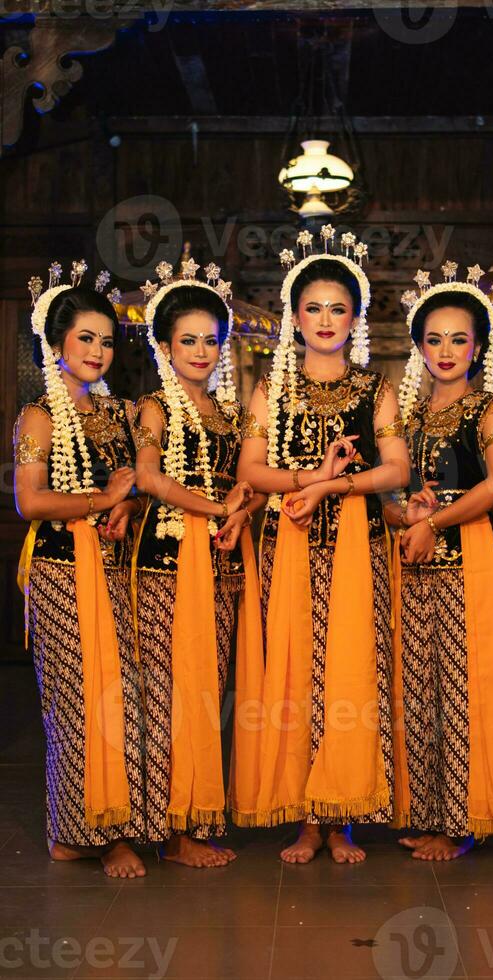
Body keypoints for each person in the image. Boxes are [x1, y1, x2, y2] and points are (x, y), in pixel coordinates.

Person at [233, 226, 410, 864]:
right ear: (296, 317)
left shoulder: (374, 388)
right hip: (292, 547)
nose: (326, 319)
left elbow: (398, 469)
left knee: (352, 673)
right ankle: (307, 817)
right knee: (296, 675)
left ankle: (344, 817)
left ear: (355, 317)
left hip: (358, 548)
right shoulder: (272, 390)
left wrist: (338, 486)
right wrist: (312, 478)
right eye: (314, 308)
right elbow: (250, 473)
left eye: (338, 308)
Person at [15, 263, 147, 878]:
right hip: (61, 573)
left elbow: (136, 487)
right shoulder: (37, 416)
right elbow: (32, 502)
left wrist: (127, 503)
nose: (97, 351)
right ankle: (78, 833)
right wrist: (102, 501)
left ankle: (112, 825)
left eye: (105, 340)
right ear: (56, 342)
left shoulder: (119, 414)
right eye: (85, 338)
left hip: (120, 572)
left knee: (121, 701)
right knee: (74, 705)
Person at [133, 259, 261, 868]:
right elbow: (149, 478)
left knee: (208, 690)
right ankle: (167, 827)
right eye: (188, 340)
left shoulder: (230, 414)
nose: (202, 351)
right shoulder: (153, 408)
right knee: (166, 693)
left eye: (212, 340)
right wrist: (216, 508)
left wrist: (242, 507)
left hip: (225, 562)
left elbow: (251, 482)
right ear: (163, 345)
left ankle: (194, 814)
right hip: (167, 559)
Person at [386, 263, 493, 861]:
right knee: (420, 689)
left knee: (463, 685)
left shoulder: (488, 409)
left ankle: (462, 821)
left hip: (469, 560)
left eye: (459, 339)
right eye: (434, 339)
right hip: (411, 565)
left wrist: (434, 521)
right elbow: (386, 495)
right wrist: (405, 514)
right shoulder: (406, 419)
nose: (446, 350)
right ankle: (431, 813)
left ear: (478, 347)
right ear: (418, 347)